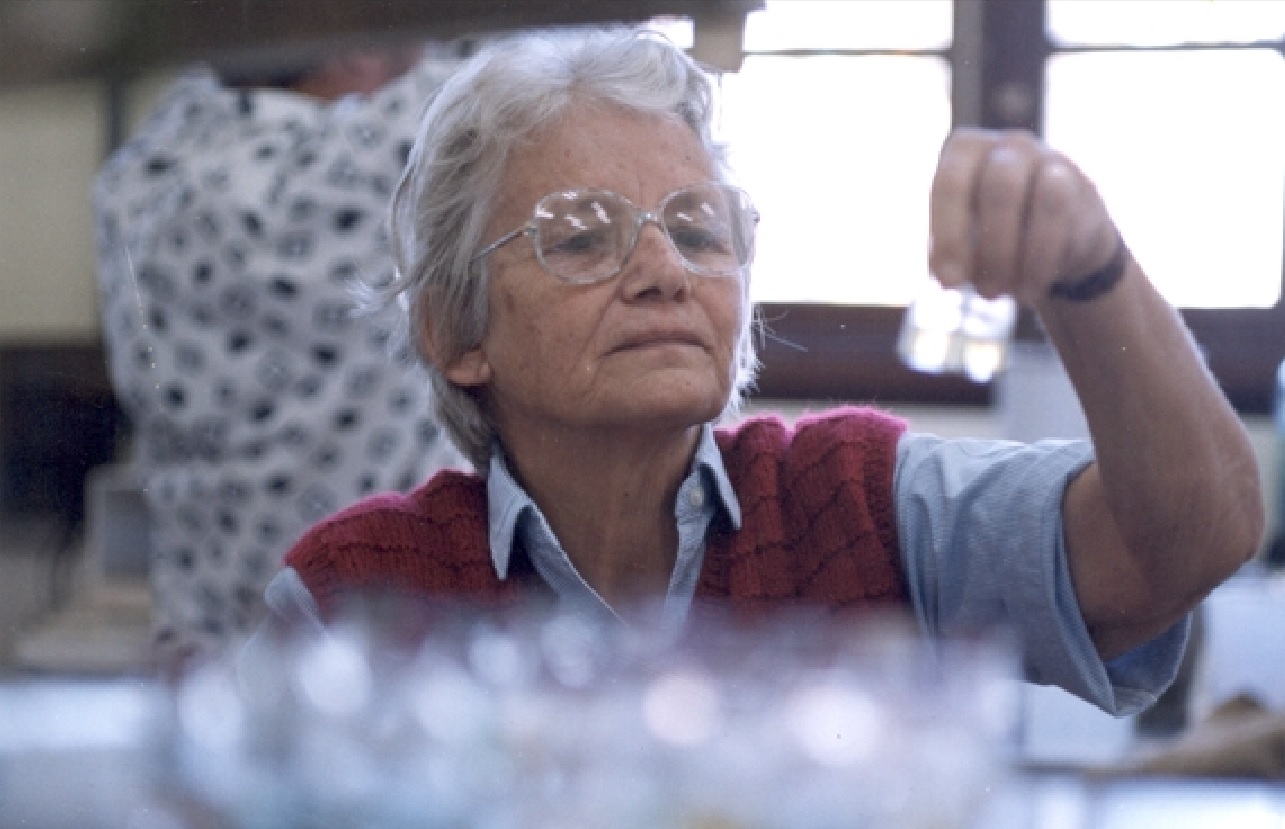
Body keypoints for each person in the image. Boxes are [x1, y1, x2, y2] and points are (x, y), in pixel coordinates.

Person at [247, 27, 1263, 716]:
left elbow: (1187, 544)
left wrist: (1087, 270)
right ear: (452, 331)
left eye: (698, 229)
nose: (665, 272)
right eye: (581, 237)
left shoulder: (862, 503)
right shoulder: (348, 595)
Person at [93, 44, 467, 674]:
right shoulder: (368, 158)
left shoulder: (144, 168)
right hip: (366, 658)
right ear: (352, 55)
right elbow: (521, 56)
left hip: (205, 653)